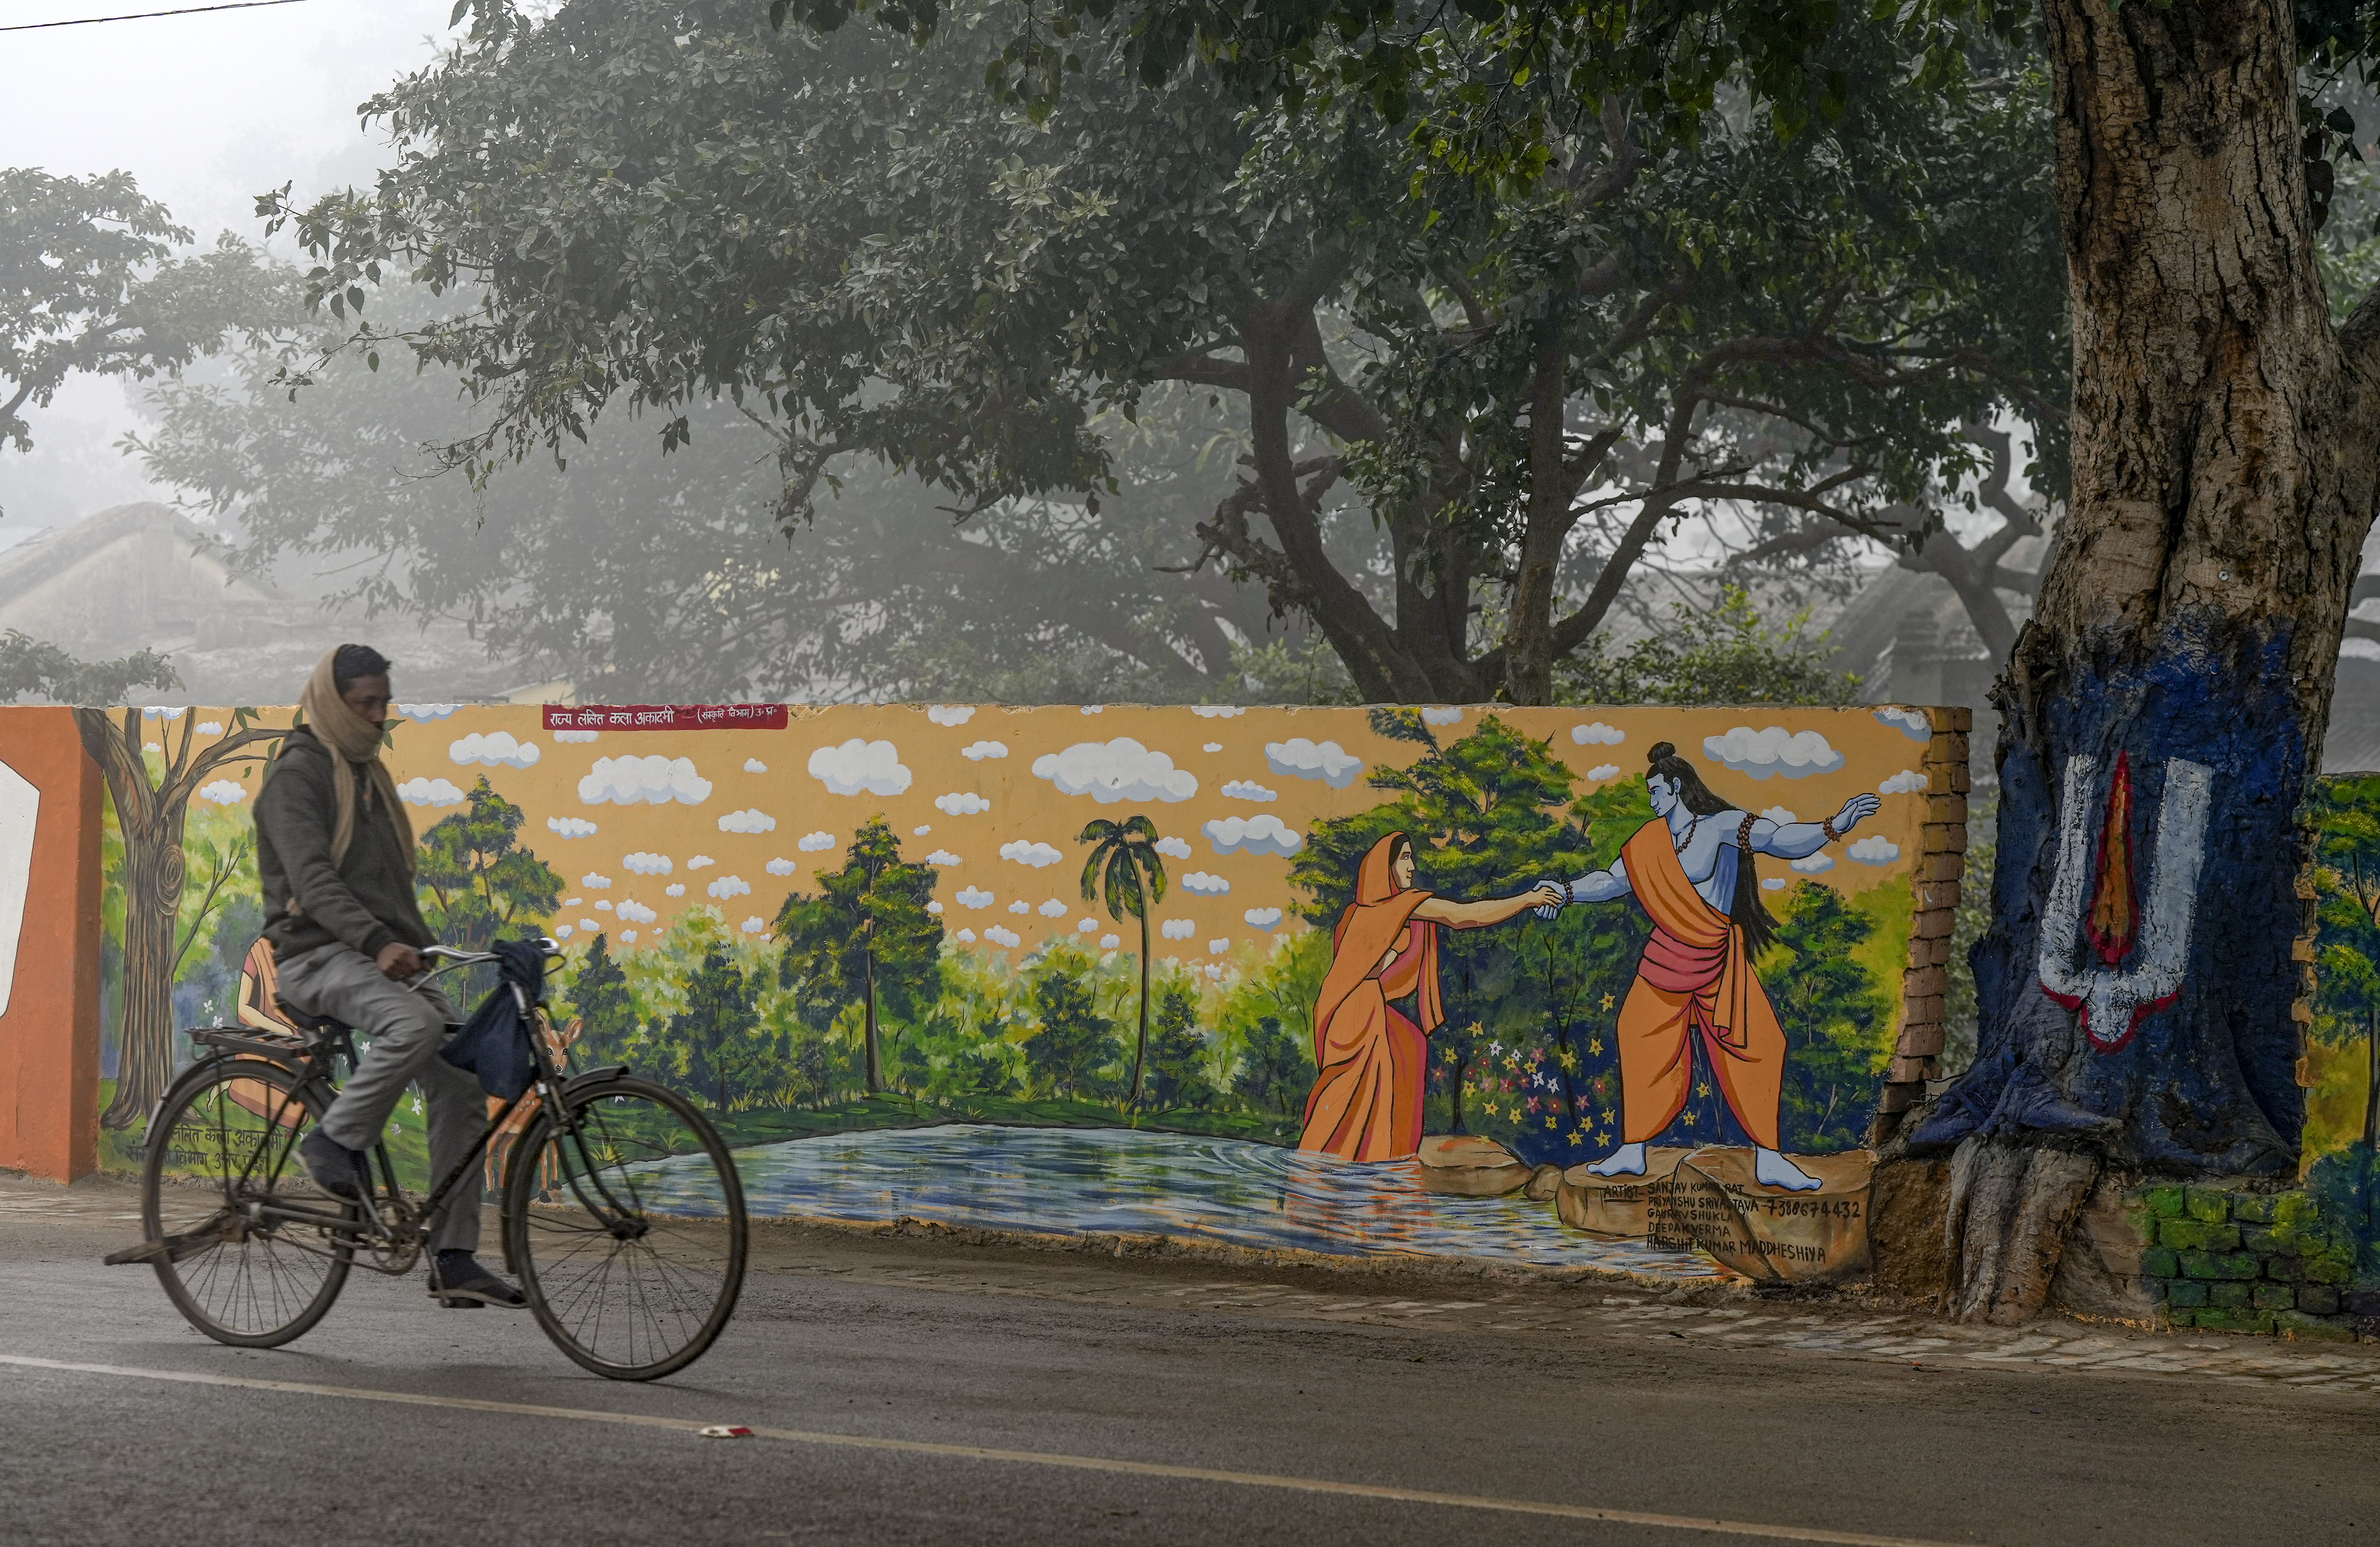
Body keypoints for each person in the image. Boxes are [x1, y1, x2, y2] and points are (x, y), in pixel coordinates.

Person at [254, 643, 524, 1309]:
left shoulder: (367, 776)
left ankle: (455, 1255)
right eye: (365, 704)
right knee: (417, 1022)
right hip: (315, 956)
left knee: (462, 1075)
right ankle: (333, 1142)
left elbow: (390, 890)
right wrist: (377, 943)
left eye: (384, 704)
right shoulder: (298, 778)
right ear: (331, 702)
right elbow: (313, 882)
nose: (379, 717)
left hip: (375, 952)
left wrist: (426, 950)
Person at [1539, 742, 1881, 1192]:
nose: (1652, 799)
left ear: (1678, 786)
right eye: (1650, 792)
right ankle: (1632, 1150)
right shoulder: (1647, 841)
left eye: (1657, 790)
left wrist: (1833, 826)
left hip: (1717, 959)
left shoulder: (1721, 826)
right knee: (1636, 1033)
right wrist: (1565, 891)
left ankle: (1770, 1159)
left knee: (1763, 1044)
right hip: (1666, 959)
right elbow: (1610, 880)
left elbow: (1778, 839)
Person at [1298, 833, 1564, 1162]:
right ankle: (1342, 1166)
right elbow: (1462, 915)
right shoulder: (1392, 909)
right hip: (1359, 1012)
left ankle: (1387, 1154)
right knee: (1353, 1093)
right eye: (1405, 858)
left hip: (1356, 1006)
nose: (1412, 866)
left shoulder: (1361, 914)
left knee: (1410, 1044)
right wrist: (1528, 899)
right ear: (1387, 866)